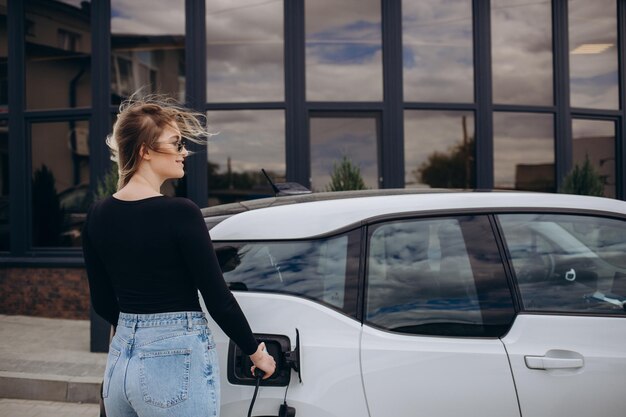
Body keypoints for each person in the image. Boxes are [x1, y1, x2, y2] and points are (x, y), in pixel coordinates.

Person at [82, 95, 276, 417]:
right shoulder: (180, 213)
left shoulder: (98, 214)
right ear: (145, 151)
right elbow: (218, 298)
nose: (184, 152)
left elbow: (102, 302)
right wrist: (256, 353)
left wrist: (136, 331)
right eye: (176, 143)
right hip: (172, 360)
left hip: (120, 365)